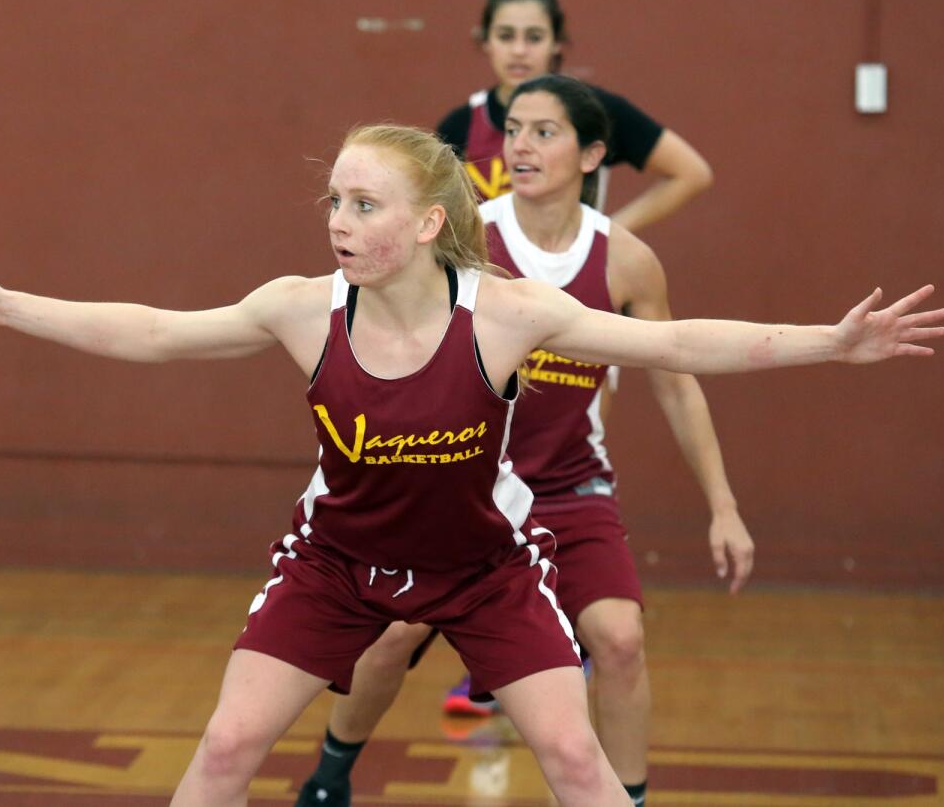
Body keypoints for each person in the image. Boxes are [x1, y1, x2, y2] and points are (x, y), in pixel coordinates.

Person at [0, 124, 944, 807]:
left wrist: (830, 340)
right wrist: (6, 307)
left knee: (578, 762)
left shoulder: (508, 317)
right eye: (336, 202)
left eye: (363, 205)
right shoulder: (303, 307)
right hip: (335, 564)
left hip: (484, 569)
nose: (339, 222)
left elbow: (673, 346)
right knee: (223, 746)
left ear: (427, 223)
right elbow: (159, 330)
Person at [295, 77, 749, 807]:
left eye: (545, 132)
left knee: (622, 640)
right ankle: (330, 774)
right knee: (391, 637)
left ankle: (624, 799)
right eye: (513, 131)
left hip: (570, 489)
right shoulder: (464, 241)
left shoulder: (625, 260)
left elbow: (675, 377)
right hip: (465, 489)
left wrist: (722, 503)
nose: (521, 148)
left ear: (594, 153)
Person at [436, 0, 712, 230]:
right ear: (486, 41)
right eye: (506, 36)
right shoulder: (460, 125)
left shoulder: (594, 110)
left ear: (556, 43)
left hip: (569, 284)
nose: (519, 50)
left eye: (534, 37)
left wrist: (607, 235)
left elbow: (691, 173)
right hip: (490, 281)